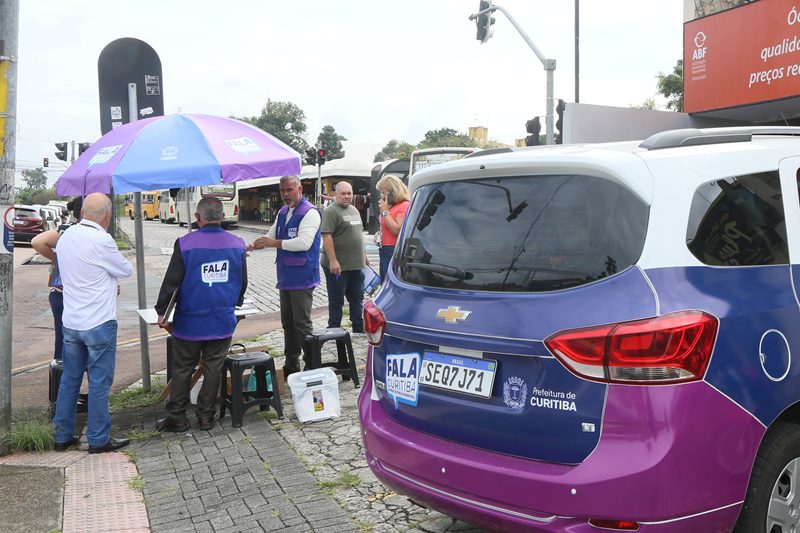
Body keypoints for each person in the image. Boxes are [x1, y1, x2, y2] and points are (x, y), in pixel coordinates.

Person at [153, 197, 248, 432]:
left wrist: (162, 311)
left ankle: (177, 416)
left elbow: (172, 282)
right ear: (222, 216)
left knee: (183, 367)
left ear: (197, 217)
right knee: (213, 366)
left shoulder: (185, 244)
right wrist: (234, 304)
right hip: (222, 318)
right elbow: (242, 282)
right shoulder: (238, 244)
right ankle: (206, 416)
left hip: (190, 319)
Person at [52, 193, 133, 454]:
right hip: (98, 322)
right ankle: (98, 439)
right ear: (107, 215)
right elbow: (125, 269)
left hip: (71, 322)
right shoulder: (102, 240)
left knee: (70, 379)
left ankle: (62, 435)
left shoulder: (66, 236)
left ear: (83, 212)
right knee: (99, 382)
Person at [248, 175, 320, 378]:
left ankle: (312, 365)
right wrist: (252, 246)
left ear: (300, 189)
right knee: (288, 323)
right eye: (282, 191)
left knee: (302, 324)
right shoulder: (282, 212)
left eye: (290, 190)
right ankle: (291, 364)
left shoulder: (310, 213)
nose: (286, 194)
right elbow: (270, 236)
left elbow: (304, 243)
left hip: (303, 276)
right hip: (286, 276)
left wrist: (274, 243)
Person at [31, 197, 82, 361]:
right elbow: (37, 241)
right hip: (71, 296)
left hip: (61, 294)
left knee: (63, 341)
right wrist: (57, 259)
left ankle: (62, 373)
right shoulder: (69, 231)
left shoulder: (66, 230)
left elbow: (37, 242)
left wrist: (58, 258)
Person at [320, 181, 368, 334]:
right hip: (338, 266)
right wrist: (333, 260)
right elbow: (326, 235)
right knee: (337, 300)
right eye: (343, 193)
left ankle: (358, 328)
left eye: (349, 193)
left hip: (356, 265)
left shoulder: (354, 210)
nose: (347, 196)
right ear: (335, 194)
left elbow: (358, 235)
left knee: (357, 297)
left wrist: (364, 255)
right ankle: (334, 329)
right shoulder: (331, 211)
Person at [375, 174, 410, 281]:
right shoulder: (392, 206)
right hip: (385, 249)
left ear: (394, 192)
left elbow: (397, 230)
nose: (381, 196)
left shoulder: (404, 205)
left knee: (388, 281)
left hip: (393, 249)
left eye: (384, 193)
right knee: (384, 281)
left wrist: (385, 212)